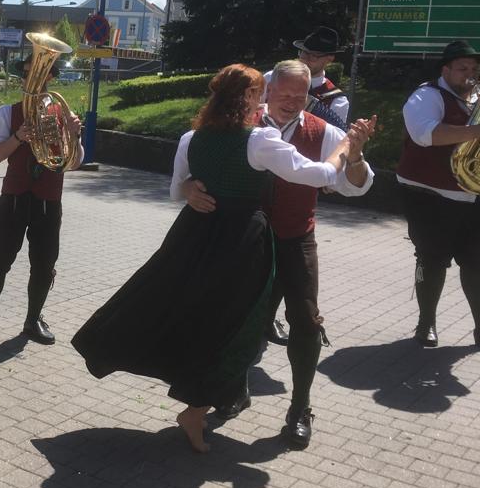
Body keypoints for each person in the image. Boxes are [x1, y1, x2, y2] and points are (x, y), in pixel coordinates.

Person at [72, 64, 358, 453]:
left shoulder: (193, 137)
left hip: (199, 237)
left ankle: (225, 398)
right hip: (242, 242)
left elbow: (175, 190)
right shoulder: (260, 139)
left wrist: (189, 188)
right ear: (252, 97)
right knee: (235, 326)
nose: (268, 99)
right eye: (261, 92)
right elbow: (320, 174)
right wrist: (346, 147)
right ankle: (202, 405)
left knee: (205, 317)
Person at [182, 60, 376, 448]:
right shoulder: (238, 123)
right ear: (268, 92)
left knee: (305, 321)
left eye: (299, 96)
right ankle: (233, 391)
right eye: (284, 94)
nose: (291, 102)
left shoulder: (323, 131)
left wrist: (354, 155)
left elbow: (356, 186)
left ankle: (300, 409)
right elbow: (198, 160)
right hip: (244, 240)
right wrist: (187, 186)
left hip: (295, 237)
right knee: (237, 320)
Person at [0, 57, 83, 347]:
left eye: (40, 76)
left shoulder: (61, 113)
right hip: (14, 198)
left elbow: (73, 163)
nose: (31, 81)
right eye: (28, 75)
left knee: (44, 264)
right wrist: (18, 137)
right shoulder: (7, 113)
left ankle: (33, 320)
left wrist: (74, 135)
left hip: (48, 200)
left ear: (50, 80)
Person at [396, 39, 480, 349]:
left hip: (472, 196)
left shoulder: (477, 98)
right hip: (429, 196)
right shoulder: (426, 96)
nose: (470, 75)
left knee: (476, 263)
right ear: (446, 70)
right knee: (432, 260)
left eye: (474, 69)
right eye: (462, 68)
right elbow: (426, 134)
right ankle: (426, 322)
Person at [265, 26, 349, 128]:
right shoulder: (272, 77)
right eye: (304, 52)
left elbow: (336, 135)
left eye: (314, 55)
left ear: (330, 58)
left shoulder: (337, 101)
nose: (306, 59)